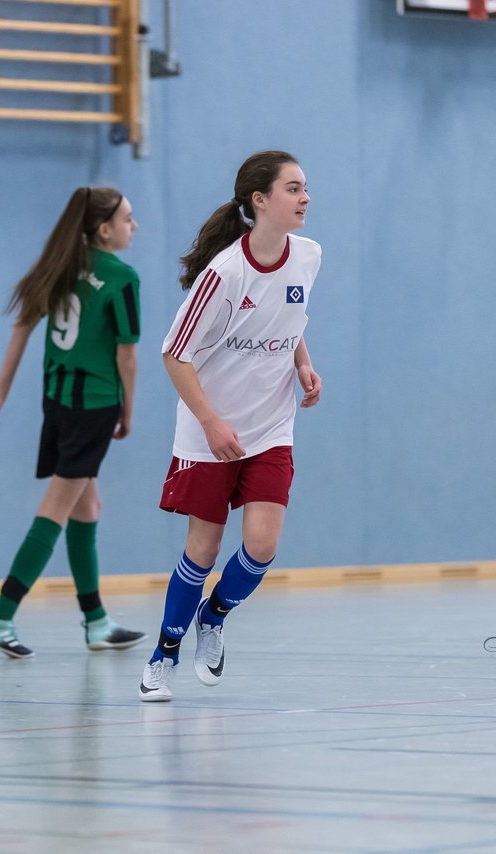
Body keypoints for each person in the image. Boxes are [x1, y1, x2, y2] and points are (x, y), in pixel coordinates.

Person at [139, 151, 321, 701]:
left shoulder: (309, 256)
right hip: (210, 433)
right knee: (203, 549)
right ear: (259, 201)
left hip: (270, 427)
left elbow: (288, 322)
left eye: (305, 188)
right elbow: (174, 354)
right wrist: (211, 421)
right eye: (293, 189)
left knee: (262, 546)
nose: (305, 198)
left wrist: (303, 363)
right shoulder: (224, 274)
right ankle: (163, 653)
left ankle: (213, 617)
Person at [0, 186, 147, 658]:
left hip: (56, 402)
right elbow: (126, 356)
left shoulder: (61, 265)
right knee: (55, 509)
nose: (135, 226)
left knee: (87, 510)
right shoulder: (121, 277)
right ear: (104, 229)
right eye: (128, 219)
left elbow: (21, 329)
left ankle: (96, 621)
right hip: (93, 405)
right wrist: (128, 409)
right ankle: (1, 616)